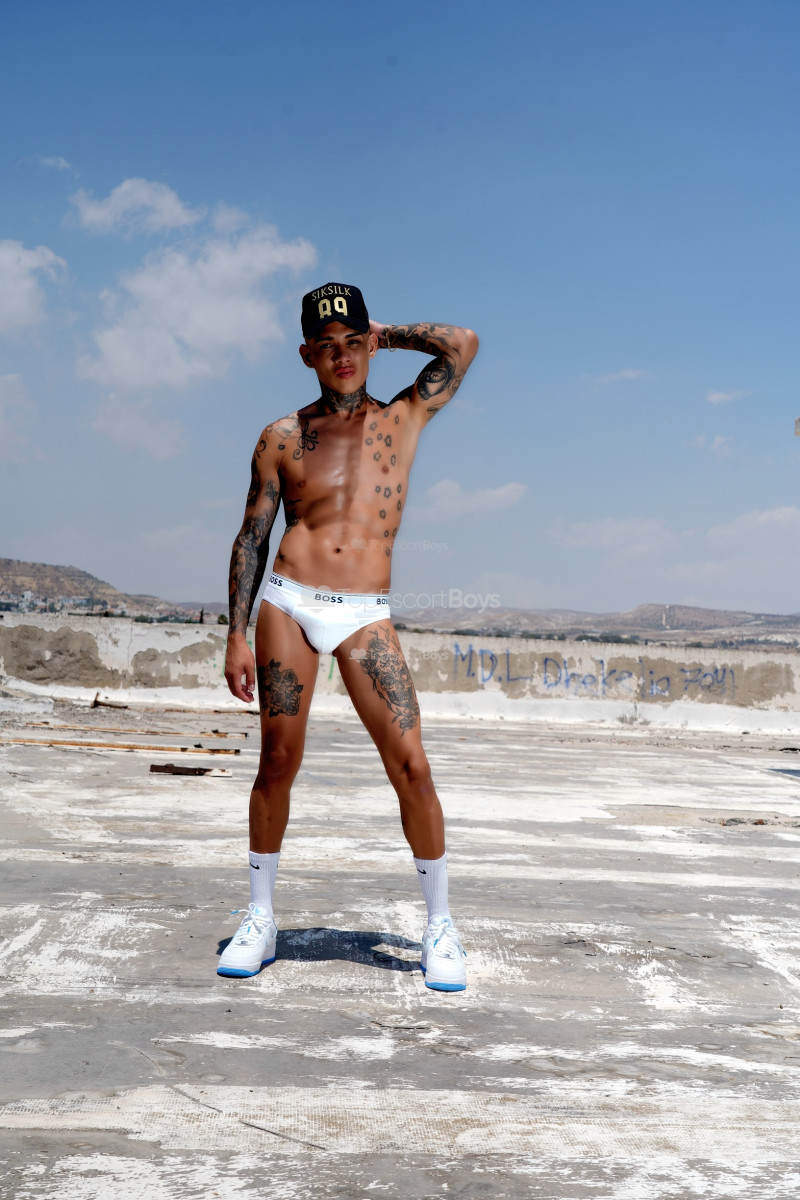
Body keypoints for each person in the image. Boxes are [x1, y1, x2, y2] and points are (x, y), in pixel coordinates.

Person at [217, 282, 478, 991]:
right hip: (289, 602)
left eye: (354, 343)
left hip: (364, 612)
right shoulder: (281, 436)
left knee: (412, 766)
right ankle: (260, 917)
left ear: (369, 345)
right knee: (278, 761)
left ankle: (440, 925)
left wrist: (387, 332)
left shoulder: (403, 417)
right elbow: (252, 536)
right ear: (307, 355)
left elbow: (462, 344)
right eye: (327, 346)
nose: (343, 356)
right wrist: (235, 633)